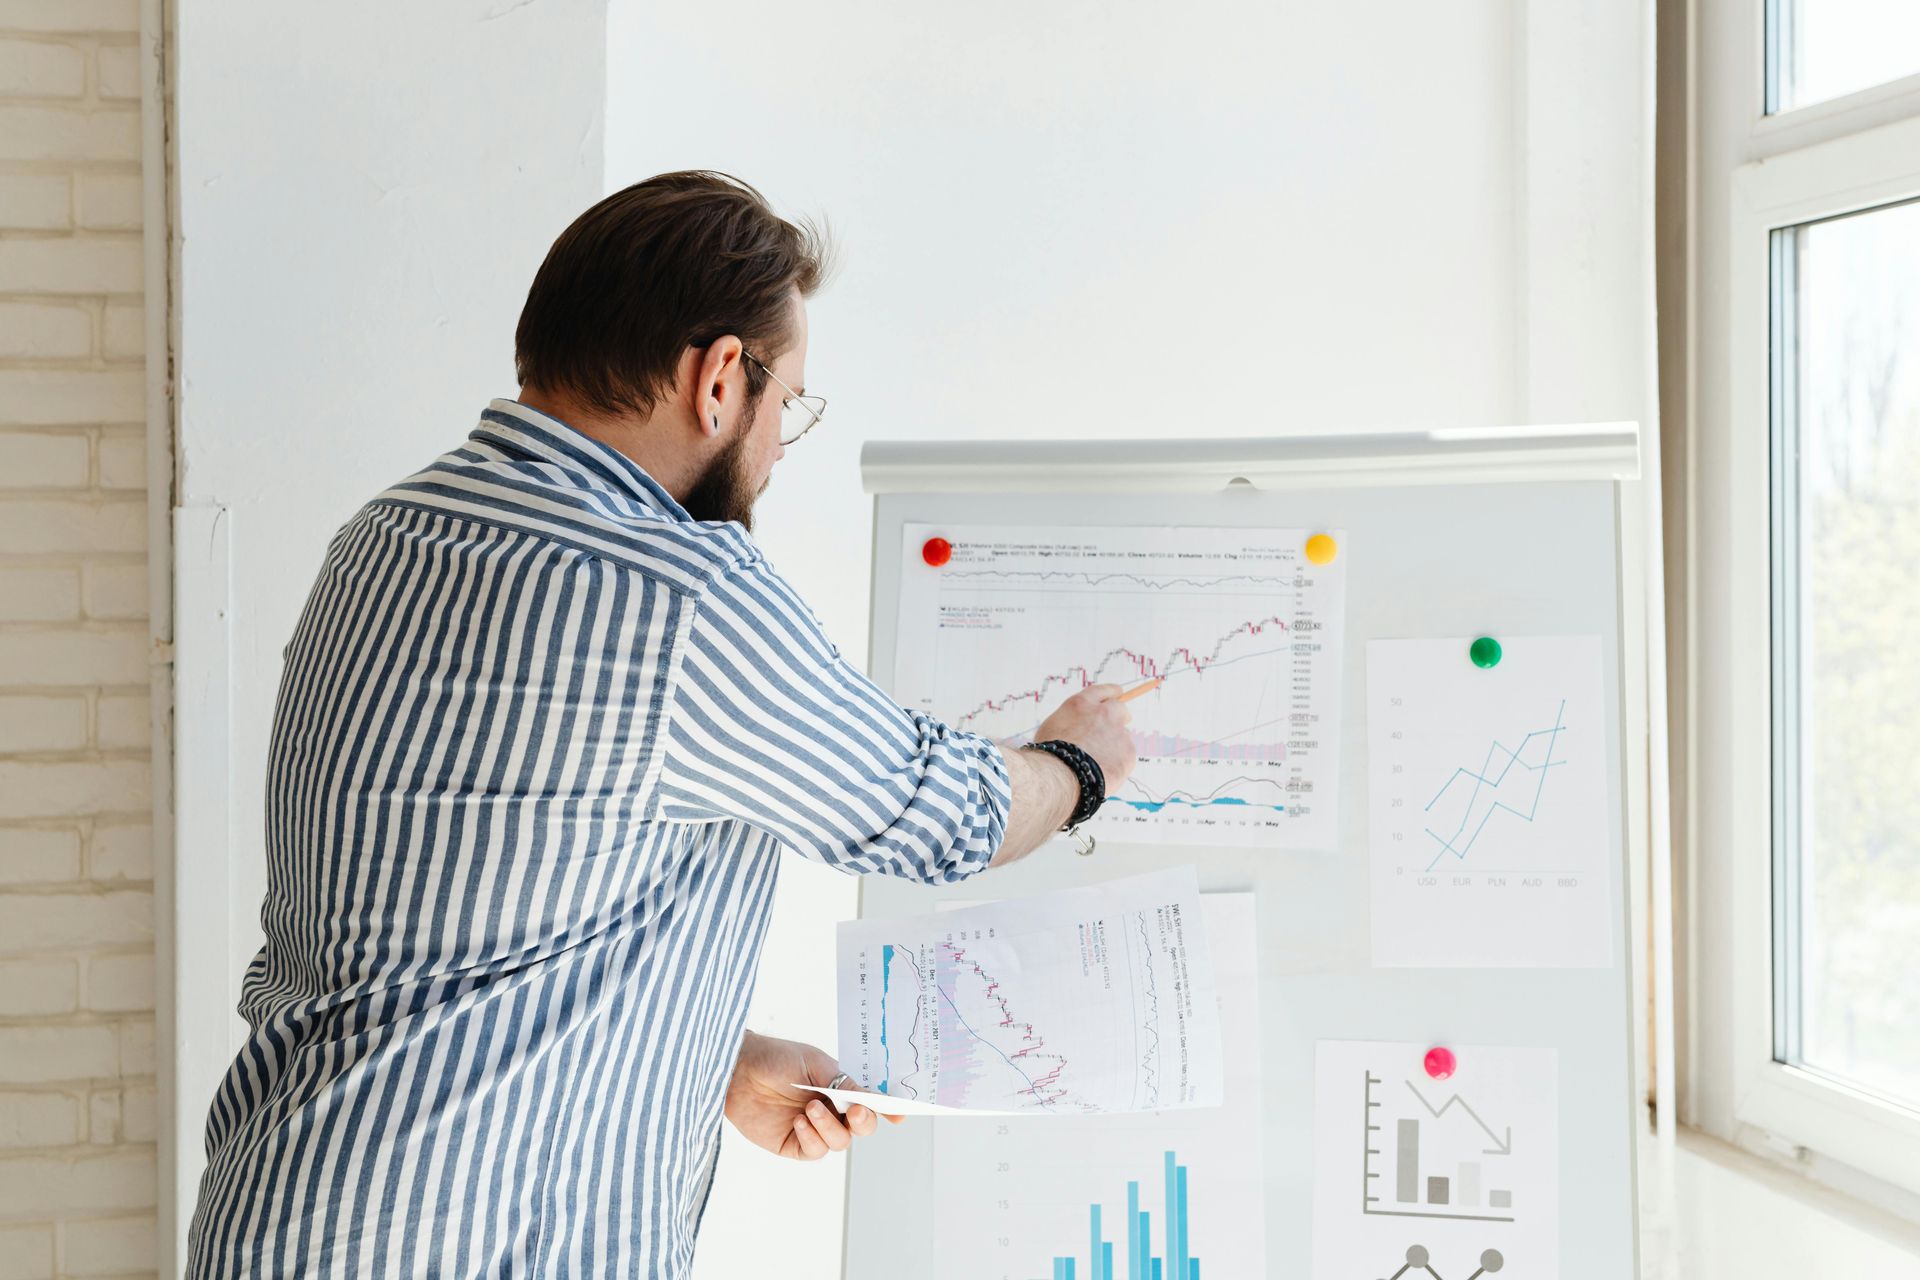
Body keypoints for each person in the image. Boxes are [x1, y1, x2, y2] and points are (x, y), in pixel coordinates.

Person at [186, 170, 1137, 1277]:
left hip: (278, 1212)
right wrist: (1076, 761)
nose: (777, 451)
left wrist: (711, 1057)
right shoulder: (680, 592)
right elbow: (942, 817)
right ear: (720, 377)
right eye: (790, 407)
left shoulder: (383, 537)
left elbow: (445, 933)